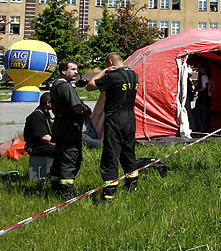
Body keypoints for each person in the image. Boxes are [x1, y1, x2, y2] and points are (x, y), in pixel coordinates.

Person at [87, 52, 139, 202]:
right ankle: (132, 184)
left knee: (111, 155)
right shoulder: (134, 75)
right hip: (130, 117)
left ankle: (109, 193)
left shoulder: (112, 76)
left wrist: (103, 72)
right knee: (128, 151)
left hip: (115, 118)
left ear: (110, 62)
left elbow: (90, 86)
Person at [49, 59, 92, 197]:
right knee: (71, 157)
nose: (76, 72)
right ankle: (66, 191)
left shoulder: (55, 84)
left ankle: (55, 186)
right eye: (72, 69)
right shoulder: (65, 87)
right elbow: (76, 108)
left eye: (76, 69)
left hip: (60, 126)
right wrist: (87, 111)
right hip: (69, 128)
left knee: (59, 157)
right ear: (63, 71)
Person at [24, 92, 54, 157]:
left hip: (43, 145)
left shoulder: (46, 114)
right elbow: (44, 137)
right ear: (48, 103)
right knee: (59, 150)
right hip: (35, 147)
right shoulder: (37, 116)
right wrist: (57, 144)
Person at [194, 64, 214, 133]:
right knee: (205, 114)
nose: (199, 70)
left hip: (202, 98)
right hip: (208, 97)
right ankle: (205, 128)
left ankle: (202, 128)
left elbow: (203, 88)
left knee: (198, 113)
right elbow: (213, 87)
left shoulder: (203, 77)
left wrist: (196, 90)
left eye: (200, 69)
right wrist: (209, 90)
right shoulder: (209, 77)